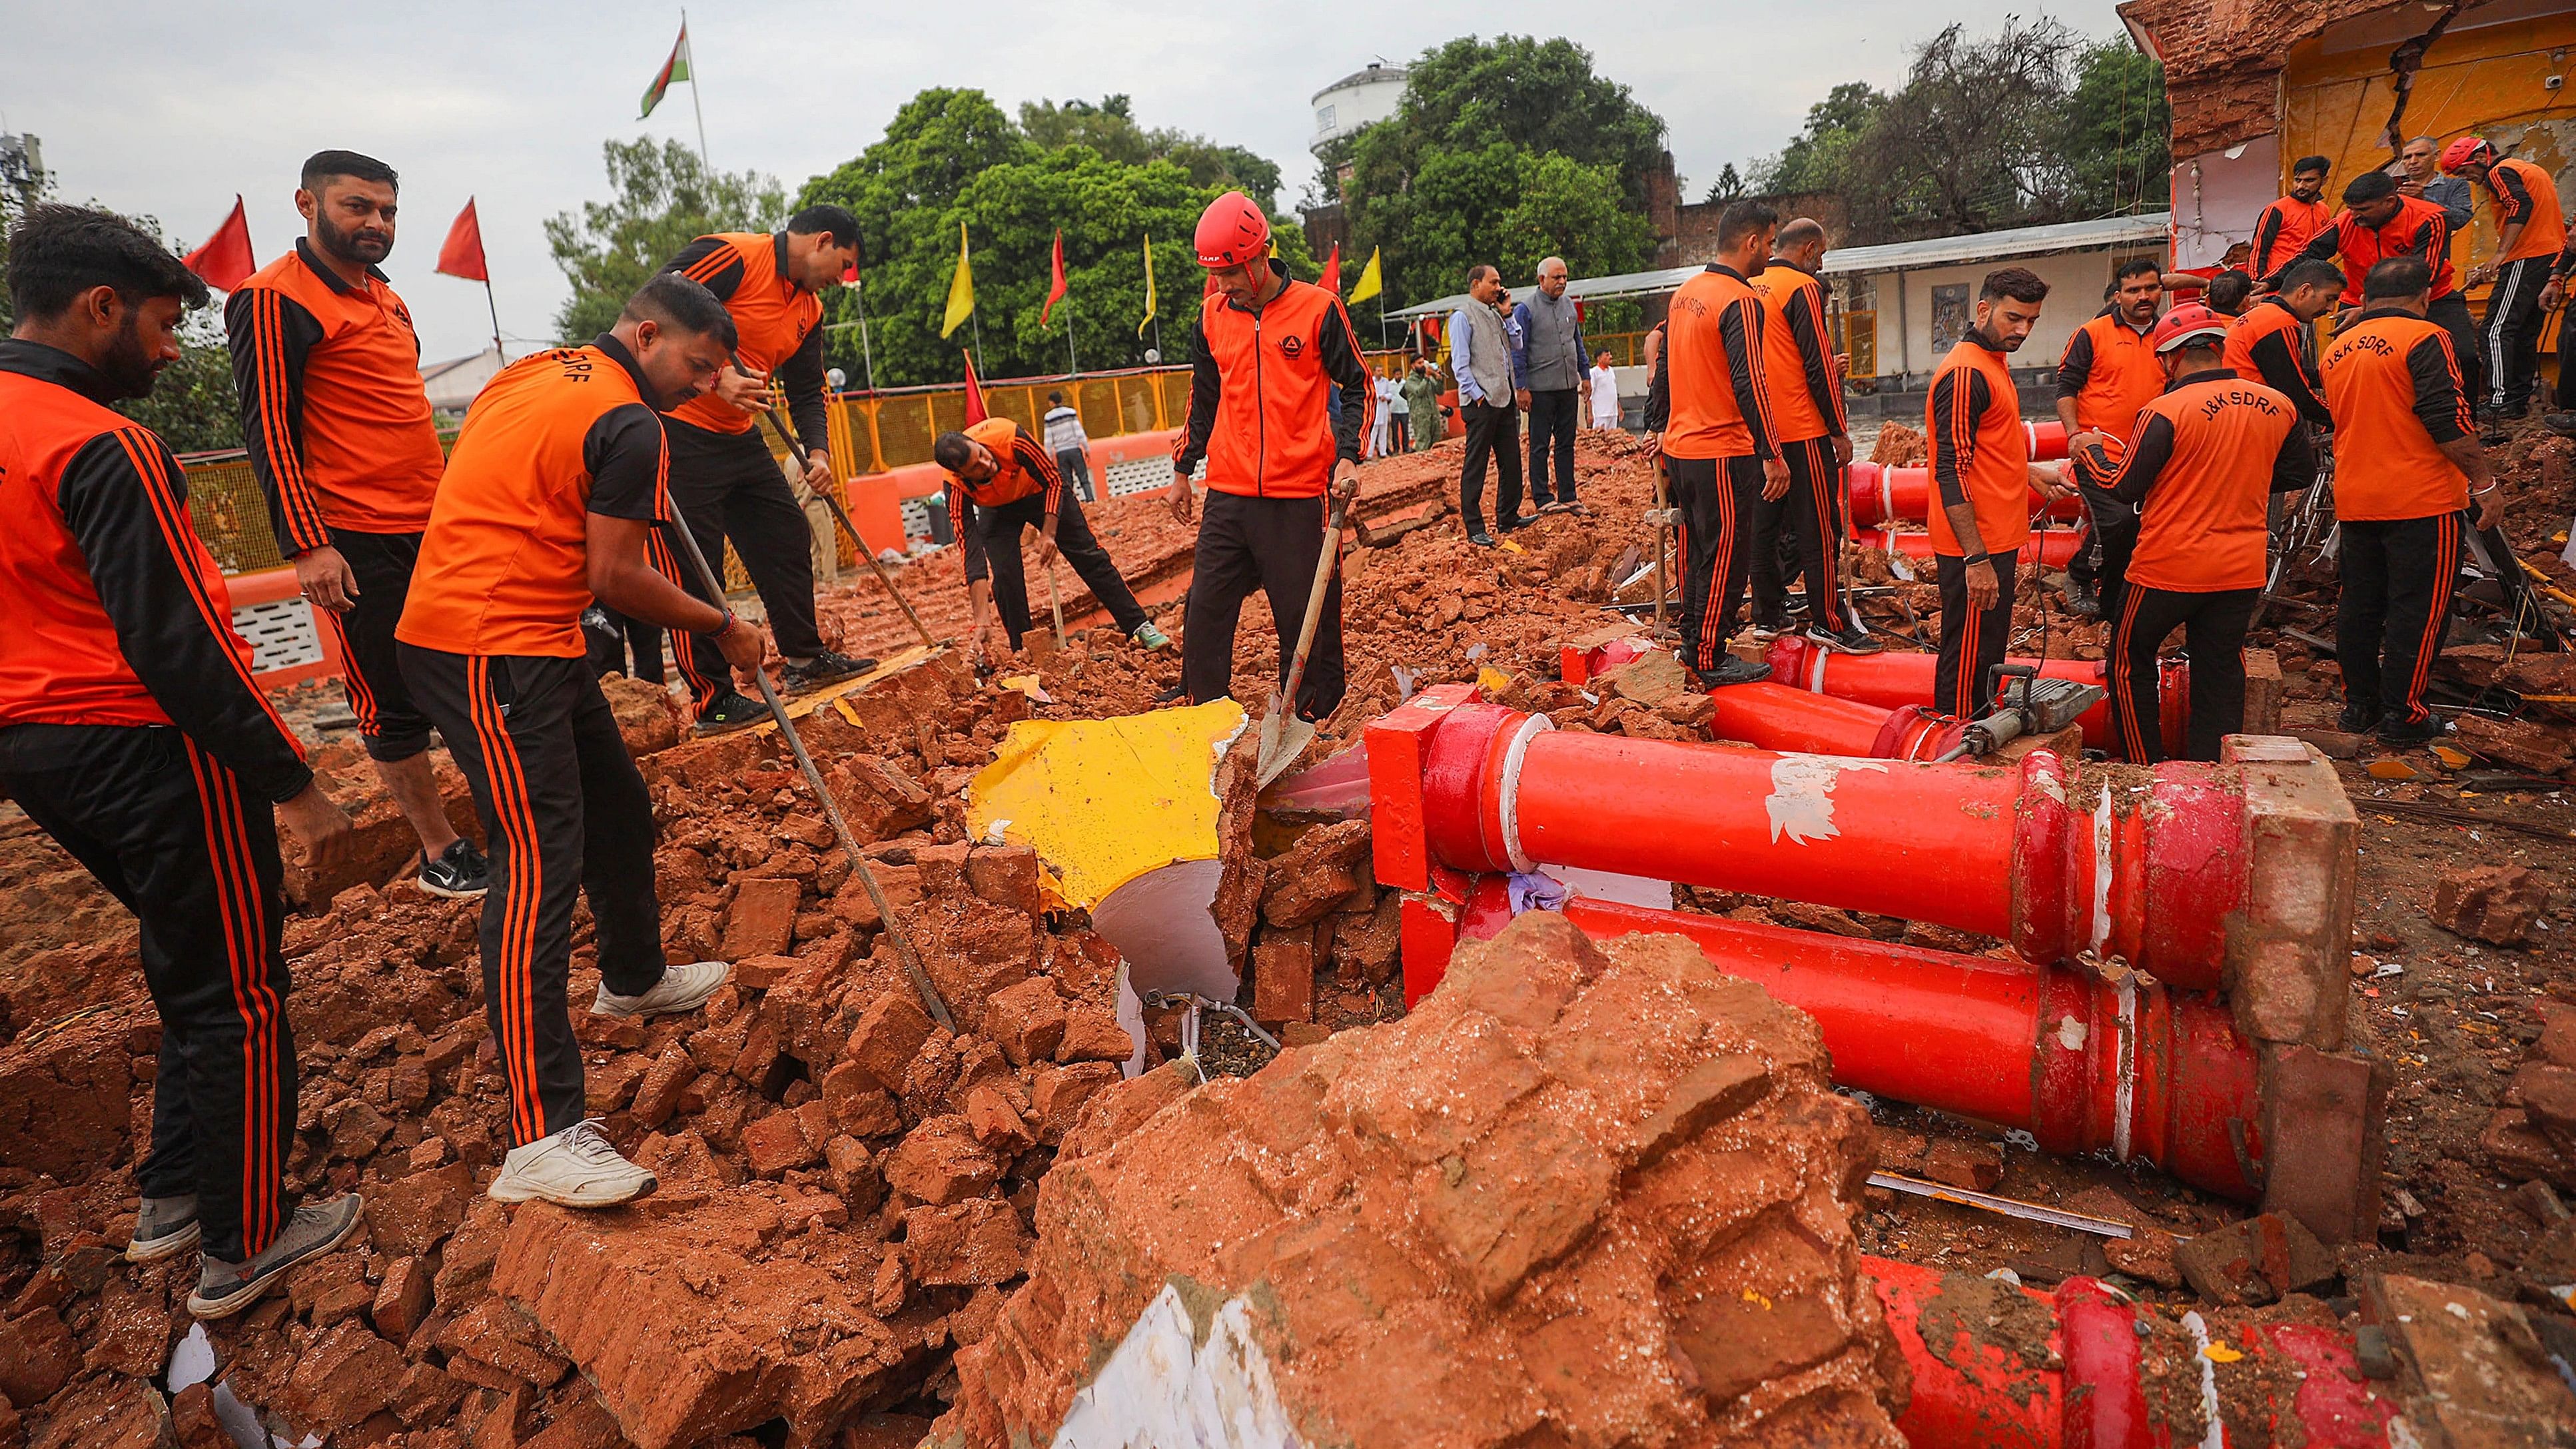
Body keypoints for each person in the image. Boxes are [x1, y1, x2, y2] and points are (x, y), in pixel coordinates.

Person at [0, 204, 362, 1318]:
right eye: (160, 326)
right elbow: (179, 644)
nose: (166, 350)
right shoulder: (100, 442)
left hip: (35, 745)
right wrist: (292, 782)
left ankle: (171, 1199)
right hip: (149, 742)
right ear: (100, 306)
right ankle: (245, 1239)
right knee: (239, 991)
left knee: (183, 948)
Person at [396, 274, 756, 1206]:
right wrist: (723, 624)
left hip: (535, 634)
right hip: (488, 643)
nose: (703, 384)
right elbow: (617, 574)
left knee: (617, 808)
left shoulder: (538, 373)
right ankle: (539, 1136)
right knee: (537, 865)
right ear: (646, 335)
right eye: (696, 364)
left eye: (719, 371)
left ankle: (632, 976)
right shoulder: (631, 424)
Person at [225, 151, 488, 901]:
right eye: (357, 207)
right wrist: (308, 544)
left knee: (471, 670)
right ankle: (442, 852)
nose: (376, 224)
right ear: (307, 205)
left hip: (431, 525)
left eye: (388, 211)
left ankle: (511, 818)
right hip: (355, 534)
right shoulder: (274, 298)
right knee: (389, 695)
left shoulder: (387, 297)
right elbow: (269, 428)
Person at [652, 207, 875, 735]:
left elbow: (805, 391)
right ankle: (713, 701)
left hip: (740, 438)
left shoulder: (810, 310)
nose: (840, 280)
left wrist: (817, 453)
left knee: (785, 535)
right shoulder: (732, 257)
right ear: (822, 242)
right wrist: (713, 379)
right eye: (841, 265)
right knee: (694, 568)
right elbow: (652, 312)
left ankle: (804, 658)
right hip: (677, 429)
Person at [1166, 192, 1372, 724]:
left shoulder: (1319, 309)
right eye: (1215, 275)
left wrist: (1348, 457)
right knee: (1205, 606)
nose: (1223, 285)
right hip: (1229, 494)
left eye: (1232, 272)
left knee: (1306, 614)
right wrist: (1182, 469)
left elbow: (1359, 386)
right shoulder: (1212, 316)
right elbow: (1203, 397)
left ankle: (1313, 715)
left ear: (1260, 256)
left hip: (1299, 494)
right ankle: (1204, 712)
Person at [2086, 304, 2313, 762]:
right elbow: (2298, 472)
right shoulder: (2277, 404)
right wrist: (2234, 480)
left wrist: (2088, 452)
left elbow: (2122, 484)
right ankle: (2211, 769)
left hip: (2166, 566)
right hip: (2240, 568)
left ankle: (2144, 766)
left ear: (2168, 358)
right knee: (2220, 669)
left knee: (2129, 662)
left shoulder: (2165, 409)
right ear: (2219, 346)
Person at [2318, 257, 2502, 747]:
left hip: (2356, 497)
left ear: (2365, 297)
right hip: (2420, 498)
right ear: (2423, 298)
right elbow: (2447, 418)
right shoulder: (2426, 337)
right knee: (2416, 610)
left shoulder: (2336, 349)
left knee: (2359, 605)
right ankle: (2405, 715)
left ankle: (2358, 706)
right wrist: (2482, 481)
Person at [1654, 200, 1785, 688]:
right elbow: (1751, 381)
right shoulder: (1740, 299)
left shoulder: (1686, 293)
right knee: (1726, 555)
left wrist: (1655, 426)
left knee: (1698, 553)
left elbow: (1664, 370)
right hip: (1721, 450)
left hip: (1682, 449)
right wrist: (1772, 453)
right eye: (1769, 243)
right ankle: (1709, 655)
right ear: (1751, 242)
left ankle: (1694, 639)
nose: (1769, 254)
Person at [937, 416, 1168, 659]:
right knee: (1005, 578)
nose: (986, 464)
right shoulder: (955, 487)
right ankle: (1024, 652)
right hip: (997, 511)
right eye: (976, 468)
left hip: (1042, 491)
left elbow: (1053, 480)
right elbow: (971, 554)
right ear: (961, 474)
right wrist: (982, 620)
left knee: (1090, 557)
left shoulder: (1009, 437)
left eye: (982, 454)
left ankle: (1139, 627)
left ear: (978, 443)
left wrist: (1048, 534)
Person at [1929, 267, 2052, 718]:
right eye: (2013, 317)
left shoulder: (1991, 361)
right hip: (1974, 544)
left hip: (1995, 536)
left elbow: (1987, 447)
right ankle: (1956, 735)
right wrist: (1975, 559)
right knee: (1966, 656)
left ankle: (1979, 725)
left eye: (2031, 320)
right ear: (1983, 309)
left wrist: (2027, 472)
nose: (2022, 330)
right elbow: (1951, 469)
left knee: (1985, 651)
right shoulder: (1965, 374)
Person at [1748, 217, 1874, 654]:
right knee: (1819, 529)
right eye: (1819, 255)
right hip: (1802, 429)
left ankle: (1767, 615)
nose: (1819, 264)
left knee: (1762, 527)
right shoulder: (1800, 288)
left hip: (1762, 432)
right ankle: (1829, 620)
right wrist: (1837, 429)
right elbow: (1818, 366)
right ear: (1805, 250)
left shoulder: (1752, 285)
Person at [2266, 171, 2479, 410]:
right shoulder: (2344, 222)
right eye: (2351, 209)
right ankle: (2350, 420)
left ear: (2389, 202)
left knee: (2464, 356)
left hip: (2430, 297)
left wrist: (2371, 311)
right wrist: (2268, 282)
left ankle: (2464, 419)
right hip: (2358, 300)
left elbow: (2424, 274)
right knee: (2346, 363)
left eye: (2363, 210)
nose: (2354, 216)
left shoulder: (2431, 218)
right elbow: (2308, 255)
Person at [2056, 257, 2168, 620]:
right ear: (2119, 295)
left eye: (2151, 288)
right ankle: (2083, 580)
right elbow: (2066, 388)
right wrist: (2075, 434)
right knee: (2119, 521)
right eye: (2134, 290)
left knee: (2141, 522)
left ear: (2161, 290)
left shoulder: (2169, 335)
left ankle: (2122, 600)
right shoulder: (2091, 333)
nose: (2143, 296)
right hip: (2097, 449)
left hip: (2149, 449)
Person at [2442, 136, 2567, 420]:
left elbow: (2519, 205)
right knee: (2523, 331)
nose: (2469, 179)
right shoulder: (2530, 169)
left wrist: (2500, 255)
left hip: (2526, 256)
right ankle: (2519, 399)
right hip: (2548, 256)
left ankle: (2501, 401)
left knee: (2495, 330)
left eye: (2465, 171)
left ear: (2480, 159)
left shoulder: (2498, 172)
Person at [1448, 264, 1526, 543]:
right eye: (1493, 283)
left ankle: (1508, 516)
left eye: (1499, 283)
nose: (1498, 288)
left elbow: (1516, 345)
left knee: (1511, 461)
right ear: (1476, 285)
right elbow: (1460, 365)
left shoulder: (1496, 315)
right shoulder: (1462, 317)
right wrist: (1478, 395)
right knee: (1477, 464)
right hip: (1481, 402)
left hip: (1503, 399)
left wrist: (1508, 314)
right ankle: (1475, 527)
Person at [2224, 258, 2343, 430]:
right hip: (2250, 420)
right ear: (2305, 291)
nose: (2331, 308)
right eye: (2329, 298)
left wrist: (2330, 377)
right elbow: (2296, 392)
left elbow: (2290, 373)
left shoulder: (2263, 314)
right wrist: (2342, 418)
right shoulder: (2279, 322)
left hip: (2237, 413)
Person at [1513, 256, 1590, 513]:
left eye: (1565, 277)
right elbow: (1518, 351)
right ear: (1541, 279)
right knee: (1540, 445)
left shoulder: (1569, 306)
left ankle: (1568, 495)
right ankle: (1543, 498)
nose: (1562, 282)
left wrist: (1585, 374)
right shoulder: (1526, 309)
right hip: (1540, 390)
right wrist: (1522, 388)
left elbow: (1576, 343)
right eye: (1557, 277)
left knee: (1567, 442)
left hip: (1568, 387)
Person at [2252, 157, 2334, 279]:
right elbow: (2259, 250)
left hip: (2309, 281)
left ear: (2324, 180)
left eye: (2309, 180)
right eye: (2297, 180)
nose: (2301, 186)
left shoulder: (2324, 210)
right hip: (2277, 282)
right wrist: (2256, 281)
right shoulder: (2277, 209)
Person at [2397, 135, 2476, 233]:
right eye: (2407, 157)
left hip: (2436, 247)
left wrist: (2424, 200)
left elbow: (2461, 219)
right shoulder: (2395, 189)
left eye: (2421, 155)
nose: (2413, 161)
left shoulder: (2455, 185)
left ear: (2436, 156)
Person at [1041, 390, 1096, 502]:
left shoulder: (1048, 417)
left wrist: (1049, 457)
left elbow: (1048, 439)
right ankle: (1090, 501)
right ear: (1061, 400)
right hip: (1075, 450)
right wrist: (1086, 448)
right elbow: (1079, 432)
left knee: (1067, 482)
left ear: (1051, 402)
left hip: (1061, 453)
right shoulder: (1071, 413)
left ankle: (1072, 505)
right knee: (1084, 478)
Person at [1402, 357, 1445, 450]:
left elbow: (1440, 392)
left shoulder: (1429, 378)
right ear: (1413, 366)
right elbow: (1419, 392)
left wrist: (1439, 379)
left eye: (1423, 362)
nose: (1423, 365)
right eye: (1419, 363)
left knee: (1436, 443)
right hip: (1421, 417)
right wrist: (1427, 377)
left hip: (1434, 415)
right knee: (1423, 443)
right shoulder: (1410, 381)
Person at [1588, 348, 1621, 429]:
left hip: (1613, 413)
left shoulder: (1611, 371)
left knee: (1612, 437)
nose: (1611, 357)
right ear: (1599, 359)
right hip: (1600, 414)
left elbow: (1613, 391)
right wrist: (1590, 413)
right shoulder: (1594, 372)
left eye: (1610, 354)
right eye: (1607, 355)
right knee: (1599, 438)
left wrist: (1619, 408)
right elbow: (1590, 394)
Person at [1386, 366, 1412, 452]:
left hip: (1404, 410)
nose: (1399, 376)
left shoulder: (1405, 383)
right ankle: (1396, 448)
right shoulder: (1390, 384)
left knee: (1405, 430)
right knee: (1395, 431)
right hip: (1394, 411)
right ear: (1394, 375)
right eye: (1397, 374)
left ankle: (1406, 447)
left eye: (1400, 374)